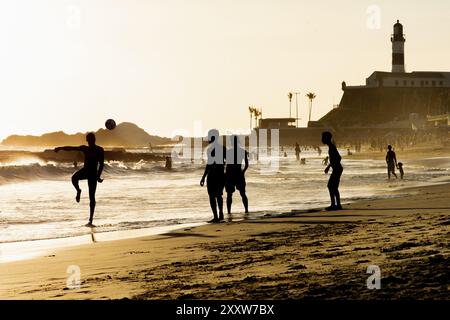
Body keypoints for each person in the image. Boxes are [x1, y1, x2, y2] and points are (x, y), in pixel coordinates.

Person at [54, 133, 104, 226]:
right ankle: (78, 190)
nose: (89, 141)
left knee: (92, 198)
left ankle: (91, 219)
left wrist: (98, 176)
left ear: (94, 140)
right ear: (87, 140)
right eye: (88, 140)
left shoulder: (99, 150)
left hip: (93, 174)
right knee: (73, 178)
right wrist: (60, 148)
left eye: (90, 139)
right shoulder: (86, 149)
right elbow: (71, 148)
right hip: (85, 171)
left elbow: (101, 164)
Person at [200, 129, 226, 223]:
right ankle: (220, 214)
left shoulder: (210, 149)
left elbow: (209, 164)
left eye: (209, 136)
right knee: (218, 195)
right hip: (219, 175)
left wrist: (204, 177)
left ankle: (216, 216)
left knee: (212, 196)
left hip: (213, 176)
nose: (208, 139)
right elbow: (227, 162)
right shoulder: (222, 148)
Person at [225, 135, 249, 214]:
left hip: (230, 174)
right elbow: (246, 164)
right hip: (238, 174)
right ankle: (246, 210)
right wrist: (243, 171)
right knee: (242, 194)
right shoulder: (242, 151)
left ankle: (229, 212)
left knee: (229, 195)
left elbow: (225, 163)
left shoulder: (228, 152)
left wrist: (225, 173)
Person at [322, 131, 343, 211]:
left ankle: (335, 205)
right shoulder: (330, 146)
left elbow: (339, 157)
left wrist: (332, 165)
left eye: (323, 137)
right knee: (333, 187)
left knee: (331, 186)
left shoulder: (331, 147)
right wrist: (329, 166)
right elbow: (335, 159)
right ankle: (336, 205)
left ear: (327, 138)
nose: (322, 139)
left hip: (337, 169)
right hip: (337, 169)